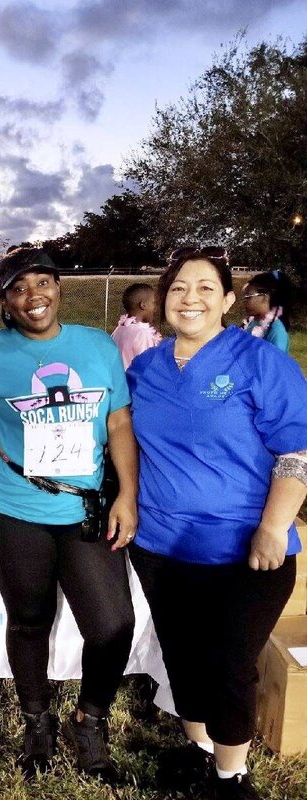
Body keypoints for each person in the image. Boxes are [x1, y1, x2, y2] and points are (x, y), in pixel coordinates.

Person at [0, 247, 138, 784]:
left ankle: (88, 720)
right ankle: (37, 722)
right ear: (5, 302)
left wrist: (127, 493)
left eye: (43, 282)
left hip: (85, 506)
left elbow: (118, 424)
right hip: (12, 506)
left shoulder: (95, 345)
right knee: (31, 619)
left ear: (59, 287)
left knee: (111, 625)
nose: (33, 295)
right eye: (18, 288)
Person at [126, 246, 307, 800]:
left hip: (245, 549)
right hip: (160, 544)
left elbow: (296, 452)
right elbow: (119, 439)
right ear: (163, 299)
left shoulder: (259, 362)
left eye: (207, 287)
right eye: (179, 287)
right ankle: (200, 751)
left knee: (229, 665)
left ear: (229, 299)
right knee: (181, 657)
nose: (191, 298)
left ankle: (233, 777)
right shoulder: (144, 368)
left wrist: (274, 526)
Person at [111, 282, 162, 369]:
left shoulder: (118, 330)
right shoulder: (141, 334)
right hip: (135, 381)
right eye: (155, 303)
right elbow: (148, 367)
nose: (156, 308)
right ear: (143, 305)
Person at [240, 269, 292, 353]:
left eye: (248, 296)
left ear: (266, 297)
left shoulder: (276, 331)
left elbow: (275, 364)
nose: (244, 301)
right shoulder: (251, 323)